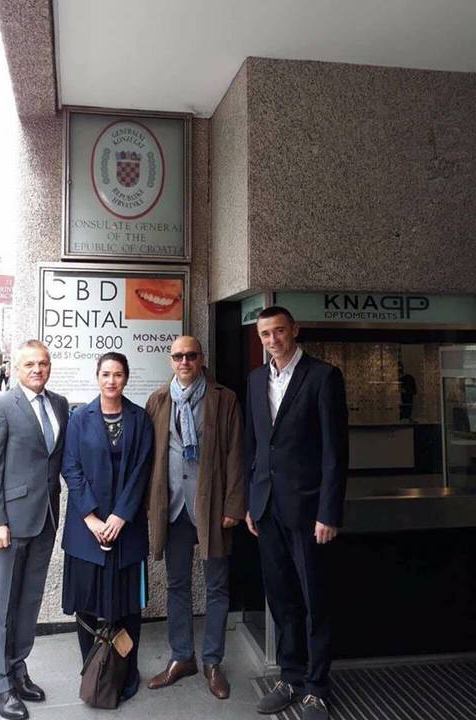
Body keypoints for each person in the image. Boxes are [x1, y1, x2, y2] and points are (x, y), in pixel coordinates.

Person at [245, 307, 348, 720]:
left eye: (279, 331)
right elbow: (255, 446)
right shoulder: (256, 380)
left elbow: (335, 452)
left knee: (315, 600)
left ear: (294, 331)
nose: (273, 340)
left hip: (309, 512)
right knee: (282, 598)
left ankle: (317, 688)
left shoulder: (323, 377)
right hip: (267, 509)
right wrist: (250, 502)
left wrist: (329, 512)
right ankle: (290, 677)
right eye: (265, 334)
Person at [146, 336, 245, 700]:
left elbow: (236, 453)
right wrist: (150, 506)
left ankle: (212, 661)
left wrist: (234, 505)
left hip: (212, 508)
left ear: (202, 358)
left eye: (191, 355)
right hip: (172, 509)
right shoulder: (158, 400)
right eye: (178, 356)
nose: (184, 361)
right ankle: (182, 657)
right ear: (170, 360)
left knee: (217, 586)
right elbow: (151, 457)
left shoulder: (224, 398)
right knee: (177, 585)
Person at [0, 340, 69, 720]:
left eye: (43, 363)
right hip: (10, 524)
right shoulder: (0, 406)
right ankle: (0, 684)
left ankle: (18, 668)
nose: (37, 369)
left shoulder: (59, 404)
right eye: (30, 364)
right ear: (17, 368)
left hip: (45, 519)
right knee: (2, 605)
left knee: (30, 601)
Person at [61, 352, 153, 702]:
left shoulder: (140, 418)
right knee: (86, 604)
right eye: (105, 374)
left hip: (126, 528)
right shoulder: (78, 418)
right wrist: (91, 518)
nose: (111, 381)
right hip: (86, 529)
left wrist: (120, 516)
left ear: (126, 378)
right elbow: (71, 468)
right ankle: (93, 670)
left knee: (128, 607)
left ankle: (127, 671)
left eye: (117, 374)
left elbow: (141, 470)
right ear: (97, 377)